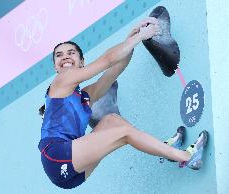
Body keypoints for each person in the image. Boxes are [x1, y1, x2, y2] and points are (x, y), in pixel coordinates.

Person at [38, 17, 208, 189]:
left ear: (82, 62)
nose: (65, 57)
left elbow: (114, 70)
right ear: (56, 67)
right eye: (59, 55)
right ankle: (186, 157)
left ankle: (168, 150)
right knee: (124, 133)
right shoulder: (61, 80)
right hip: (57, 157)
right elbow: (107, 60)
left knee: (112, 120)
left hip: (72, 173)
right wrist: (139, 37)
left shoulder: (85, 96)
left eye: (71, 53)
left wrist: (130, 40)